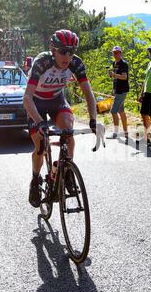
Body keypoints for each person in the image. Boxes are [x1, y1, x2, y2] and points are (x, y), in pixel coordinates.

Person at [23, 29, 99, 208]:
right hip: (36, 103)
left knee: (68, 131)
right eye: (63, 51)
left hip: (57, 100)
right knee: (40, 145)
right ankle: (35, 180)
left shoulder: (76, 63)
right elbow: (26, 98)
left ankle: (66, 171)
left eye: (71, 51)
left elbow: (88, 93)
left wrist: (93, 120)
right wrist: (40, 122)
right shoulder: (42, 63)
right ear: (53, 50)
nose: (67, 56)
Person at [108, 46, 129, 144]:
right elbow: (115, 78)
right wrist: (113, 89)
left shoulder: (124, 64)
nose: (116, 54)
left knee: (113, 111)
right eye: (114, 53)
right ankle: (126, 133)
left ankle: (115, 133)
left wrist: (114, 75)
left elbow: (124, 77)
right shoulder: (114, 63)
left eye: (117, 52)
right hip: (118, 91)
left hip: (122, 91)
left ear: (121, 53)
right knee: (121, 112)